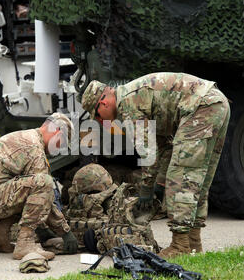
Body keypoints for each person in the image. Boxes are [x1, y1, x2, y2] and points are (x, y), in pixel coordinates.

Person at [81, 72, 230, 258]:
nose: (102, 122)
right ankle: (193, 244)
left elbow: (148, 154)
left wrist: (146, 190)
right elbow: (164, 145)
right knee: (197, 178)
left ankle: (180, 245)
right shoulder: (134, 96)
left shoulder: (127, 103)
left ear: (103, 103)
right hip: (216, 102)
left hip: (200, 107)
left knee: (181, 176)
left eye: (98, 117)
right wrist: (159, 185)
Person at [0, 113, 78, 261]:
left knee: (29, 189)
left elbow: (26, 194)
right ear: (57, 132)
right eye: (61, 143)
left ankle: (0, 234)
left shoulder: (27, 137)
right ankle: (25, 244)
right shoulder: (34, 149)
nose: (59, 148)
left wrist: (44, 228)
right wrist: (65, 232)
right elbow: (43, 193)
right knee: (44, 182)